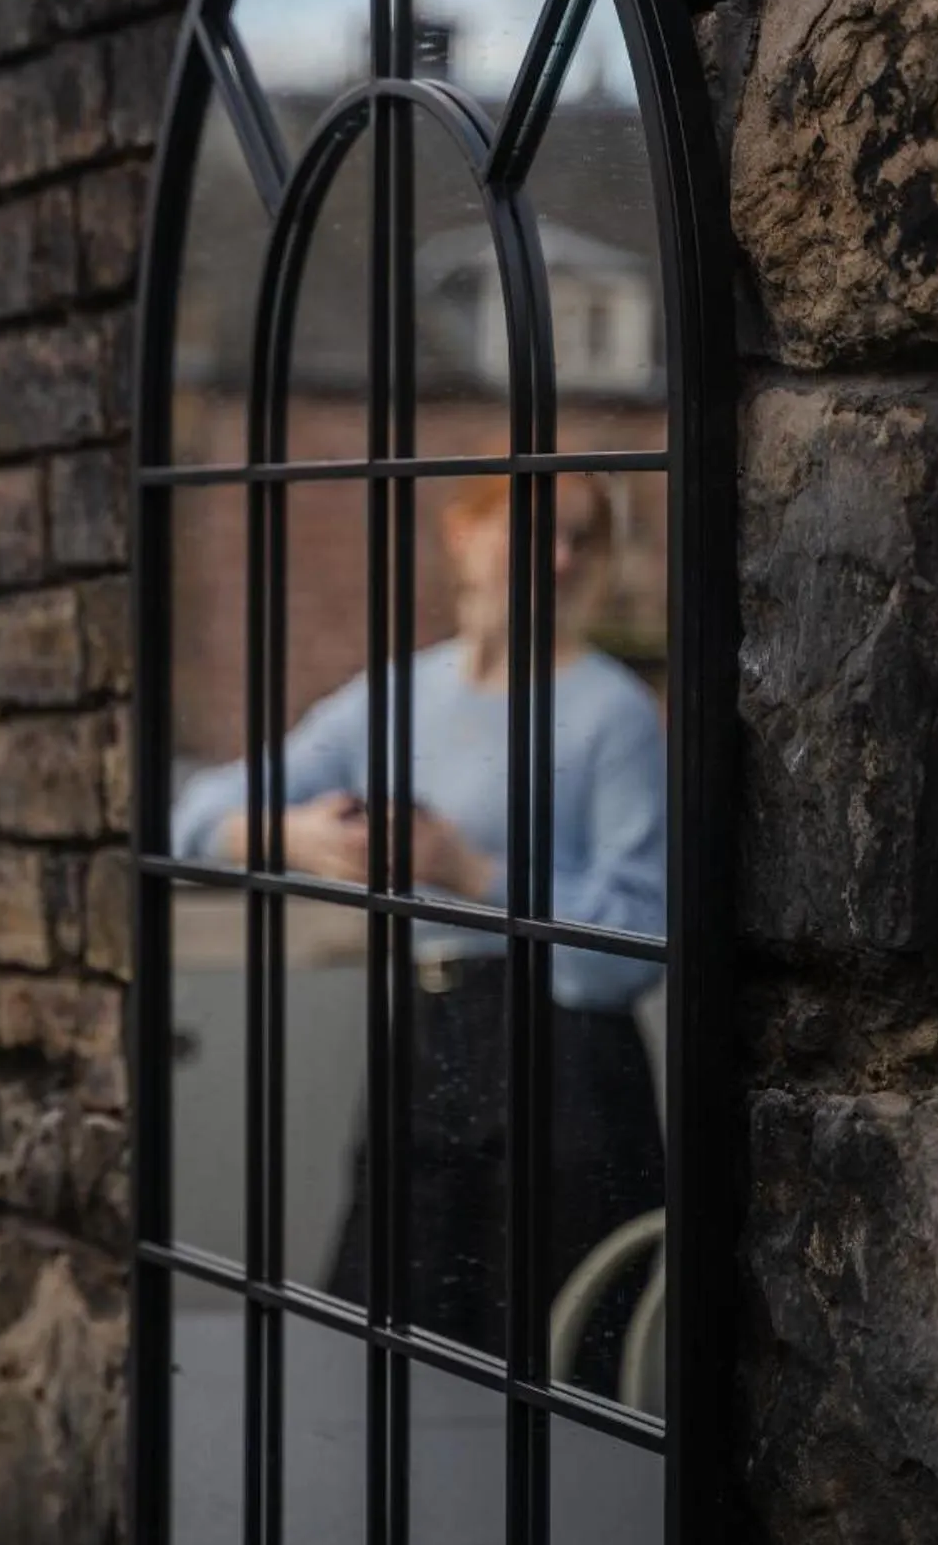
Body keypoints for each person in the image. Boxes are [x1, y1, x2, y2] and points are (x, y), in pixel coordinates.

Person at [170, 474, 666, 1381]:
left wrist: (469, 871)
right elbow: (195, 815)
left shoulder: (614, 714)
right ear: (465, 533)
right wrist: (293, 836)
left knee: (557, 1363)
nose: (561, 558)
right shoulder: (398, 695)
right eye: (537, 530)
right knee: (392, 1343)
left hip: (566, 1065)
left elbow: (634, 945)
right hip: (427, 1042)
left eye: (583, 539)